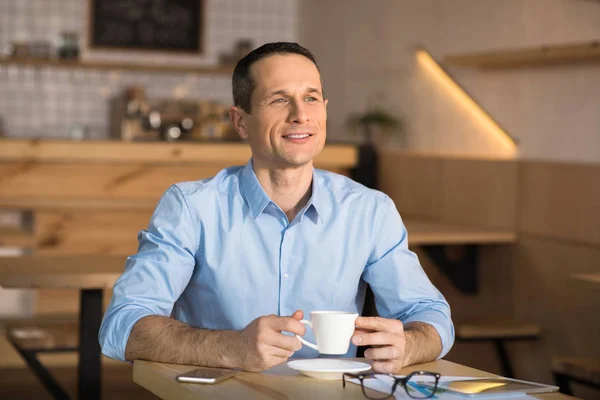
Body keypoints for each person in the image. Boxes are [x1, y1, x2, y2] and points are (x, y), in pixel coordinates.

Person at [99, 42, 454, 374]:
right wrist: (231, 347)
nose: (301, 115)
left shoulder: (370, 211)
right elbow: (121, 325)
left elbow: (430, 315)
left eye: (311, 98)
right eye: (279, 100)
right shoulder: (191, 208)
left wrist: (407, 345)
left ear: (324, 111)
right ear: (240, 121)